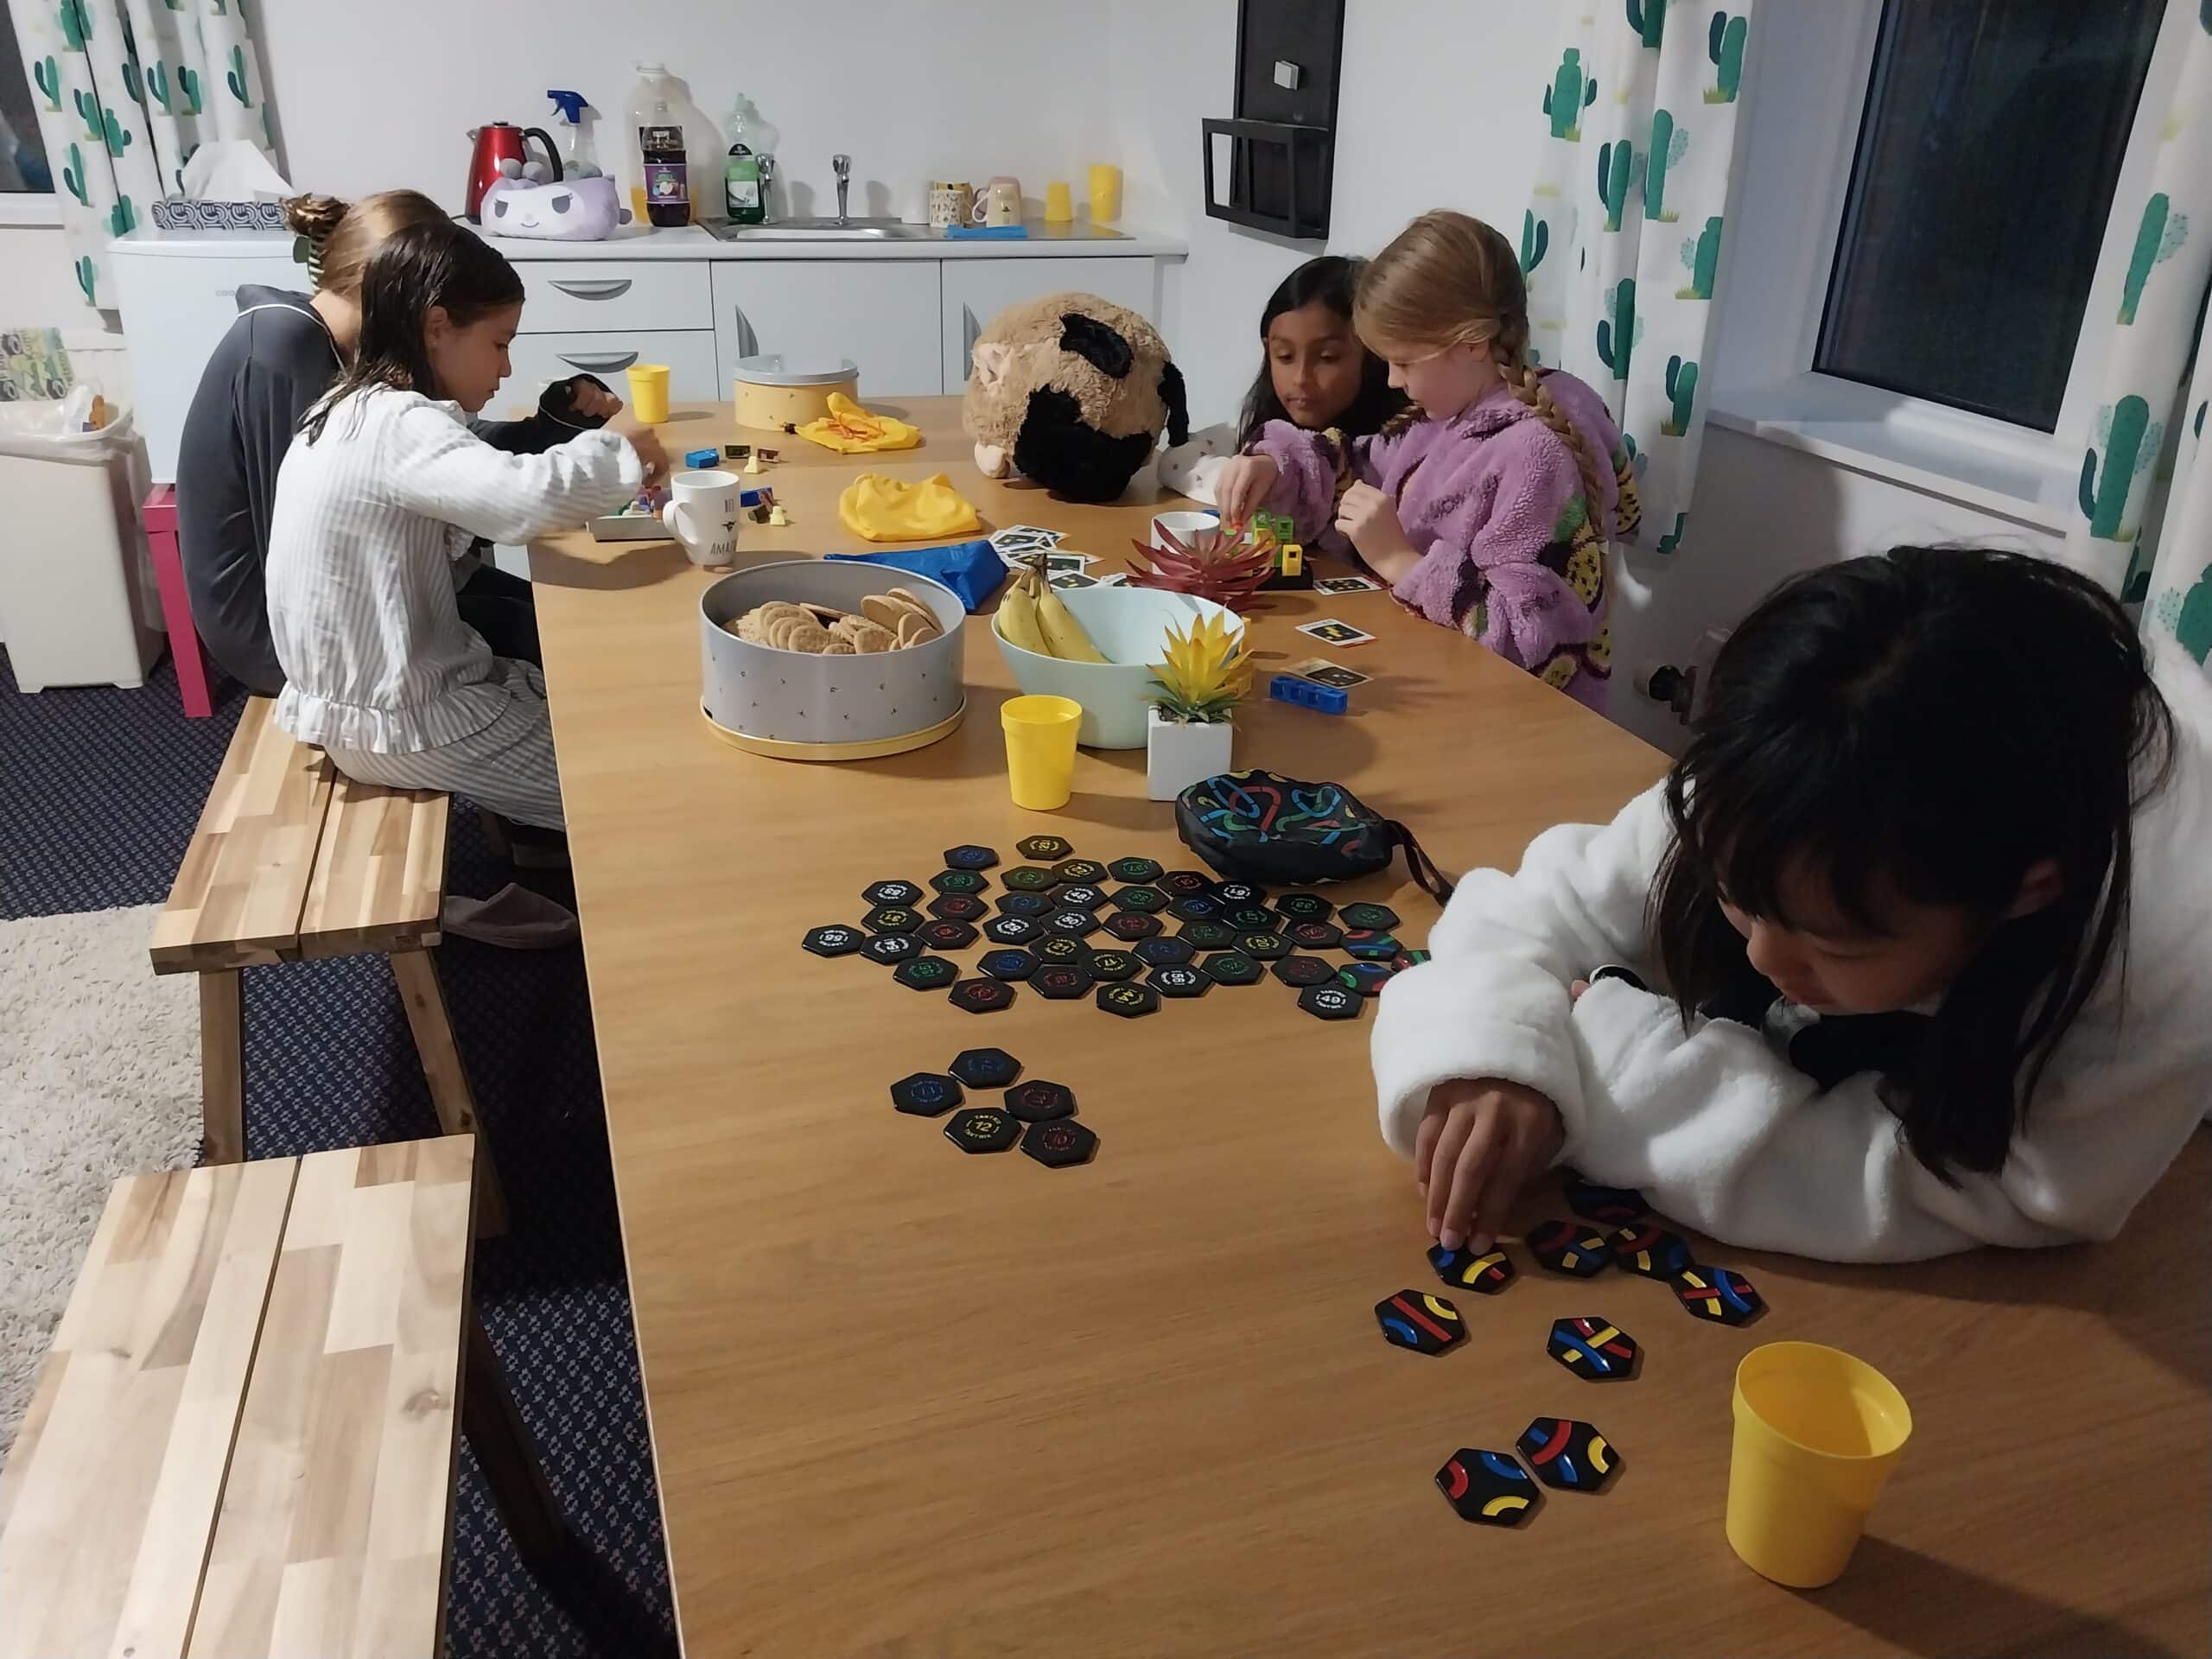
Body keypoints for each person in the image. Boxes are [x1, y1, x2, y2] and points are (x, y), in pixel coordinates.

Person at [1371, 547, 2212, 1264]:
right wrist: (1494, 1054)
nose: (1763, 960)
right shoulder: (1793, 766)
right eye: (1739, 901)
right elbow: (1535, 911)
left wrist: (1609, 1067)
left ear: (2029, 892)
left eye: (1835, 944)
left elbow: (2013, 1194)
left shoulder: (2168, 957)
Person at [265, 219, 667, 830]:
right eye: (500, 343)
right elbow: (519, 502)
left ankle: (542, 851)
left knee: (596, 699)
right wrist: (619, 450)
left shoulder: (346, 405)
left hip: (370, 700)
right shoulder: (400, 426)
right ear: (436, 328)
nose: (505, 368)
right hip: (399, 719)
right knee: (633, 791)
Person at [176, 189, 626, 694]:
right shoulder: (284, 349)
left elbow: (451, 457)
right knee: (560, 641)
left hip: (365, 591)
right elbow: (299, 549)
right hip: (286, 640)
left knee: (563, 615)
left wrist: (549, 427)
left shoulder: (343, 351)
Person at [1216, 211, 1638, 709]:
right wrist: (1278, 465)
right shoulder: (1444, 417)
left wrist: (1400, 561)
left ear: (1472, 342)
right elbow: (1352, 464)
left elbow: (1531, 644)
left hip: (1519, 735)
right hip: (1440, 693)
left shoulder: (1537, 454)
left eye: (1403, 362)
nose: (1393, 381)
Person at [1157, 255, 1406, 504]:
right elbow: (1177, 460)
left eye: (1327, 357)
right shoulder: (1257, 424)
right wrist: (1250, 479)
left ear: (1372, 354)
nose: (1301, 378)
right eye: (1285, 356)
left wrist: (1282, 484)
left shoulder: (1394, 448)